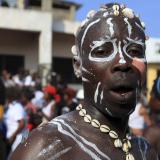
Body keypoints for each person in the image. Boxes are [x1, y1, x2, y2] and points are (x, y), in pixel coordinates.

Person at [10, 3, 158, 160]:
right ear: (78, 66)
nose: (123, 62)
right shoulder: (47, 147)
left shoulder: (144, 150)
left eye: (135, 51)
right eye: (102, 51)